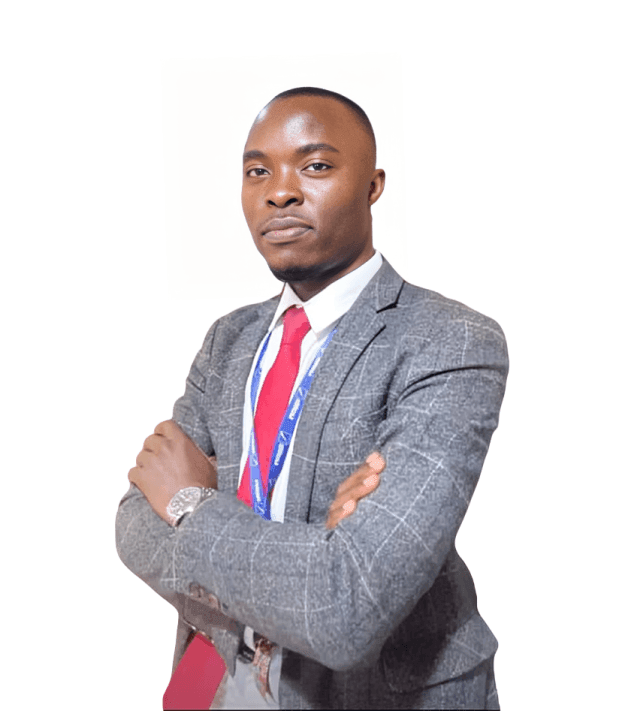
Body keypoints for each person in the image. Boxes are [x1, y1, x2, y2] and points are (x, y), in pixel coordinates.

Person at [116, 87, 509, 710]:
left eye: (316, 166)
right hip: (224, 681)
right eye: (257, 171)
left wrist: (193, 504)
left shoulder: (448, 342)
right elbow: (134, 528)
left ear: (374, 184)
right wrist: (307, 561)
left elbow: (347, 608)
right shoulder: (230, 340)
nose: (280, 192)